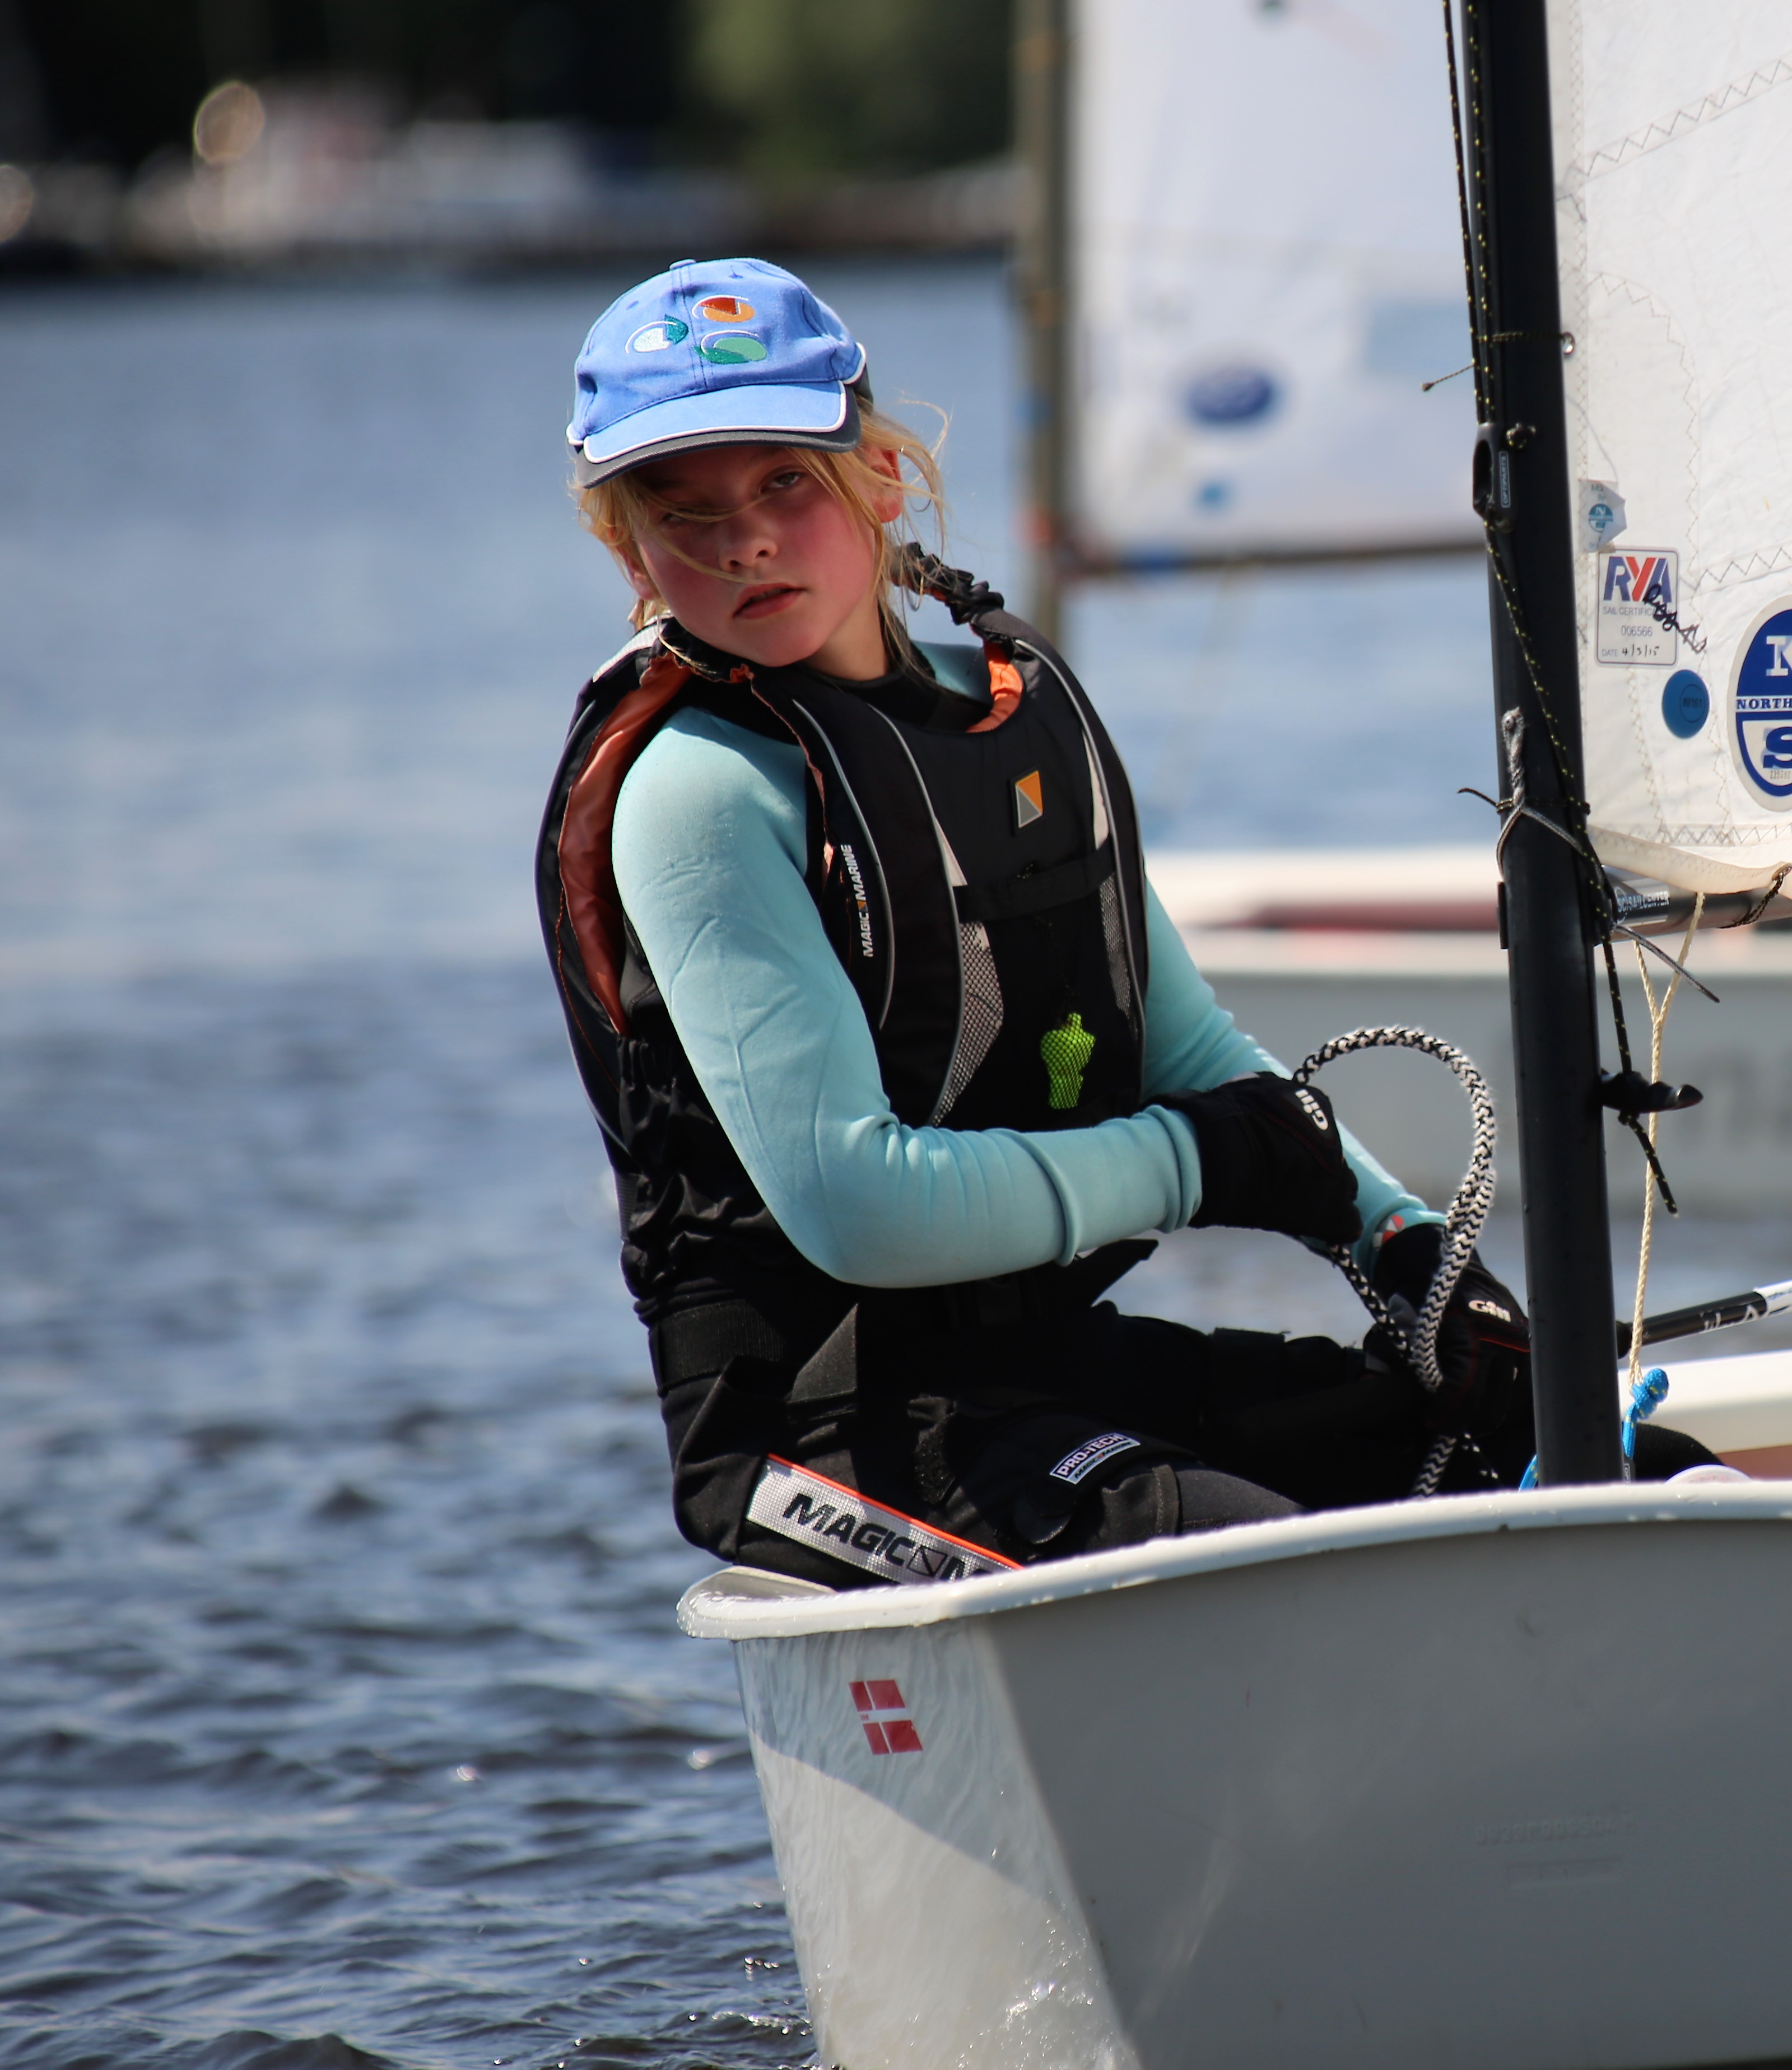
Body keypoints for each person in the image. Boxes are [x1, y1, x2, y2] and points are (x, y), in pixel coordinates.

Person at [538, 259, 1696, 1592]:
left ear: (883, 484)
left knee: (1613, 1459)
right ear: (628, 552)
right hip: (817, 1430)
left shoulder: (1012, 716)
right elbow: (858, 1211)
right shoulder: (701, 789)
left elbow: (1190, 1048)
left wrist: (1406, 1249)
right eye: (686, 515)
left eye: (785, 485)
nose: (743, 540)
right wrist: (1194, 1166)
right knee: (1288, 1572)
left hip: (1038, 1369)